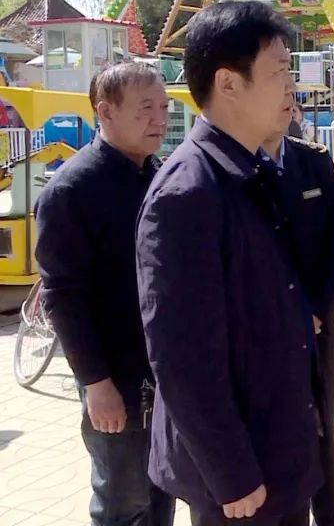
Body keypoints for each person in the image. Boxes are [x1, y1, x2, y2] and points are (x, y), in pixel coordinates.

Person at [136, 0, 320, 525]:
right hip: (240, 476)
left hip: (277, 443)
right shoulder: (187, 193)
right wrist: (231, 472)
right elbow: (181, 356)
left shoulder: (250, 170)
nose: (291, 86)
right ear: (229, 83)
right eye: (278, 71)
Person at [36, 62, 175, 526]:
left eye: (163, 108)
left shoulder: (159, 175)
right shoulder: (72, 190)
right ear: (105, 111)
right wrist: (96, 383)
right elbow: (63, 296)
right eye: (145, 108)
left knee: (161, 494)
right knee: (122, 502)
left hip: (164, 374)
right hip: (116, 379)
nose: (159, 119)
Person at [259, 112, 334, 525]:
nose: (284, 104)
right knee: (282, 431)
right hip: (269, 333)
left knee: (323, 427)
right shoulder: (237, 166)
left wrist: (320, 310)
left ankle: (331, 516)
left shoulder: (313, 159)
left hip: (318, 328)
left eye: (290, 95)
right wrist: (288, 316)